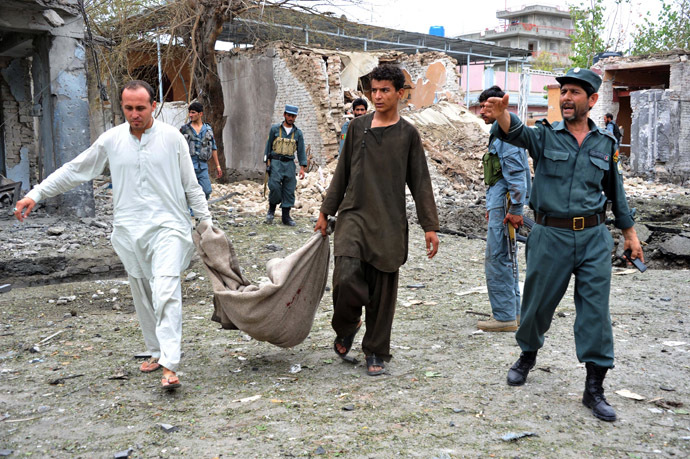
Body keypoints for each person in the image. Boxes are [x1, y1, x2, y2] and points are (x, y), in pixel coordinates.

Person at [13, 80, 212, 391]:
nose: (134, 114)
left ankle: (170, 365)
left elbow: (191, 185)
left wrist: (206, 222)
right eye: (128, 108)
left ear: (154, 106)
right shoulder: (111, 140)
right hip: (129, 230)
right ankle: (157, 352)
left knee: (165, 291)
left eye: (140, 108)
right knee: (143, 295)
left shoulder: (173, 139)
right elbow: (74, 170)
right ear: (122, 106)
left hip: (169, 227)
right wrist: (36, 194)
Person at [482, 67, 644, 422]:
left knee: (595, 312)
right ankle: (527, 354)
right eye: (563, 91)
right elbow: (516, 133)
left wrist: (630, 234)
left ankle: (594, 388)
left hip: (594, 238)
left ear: (592, 99)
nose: (566, 98)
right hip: (549, 235)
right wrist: (504, 115)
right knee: (537, 304)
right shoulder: (545, 135)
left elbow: (616, 192)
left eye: (574, 92)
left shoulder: (606, 143)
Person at [314, 64, 440, 376]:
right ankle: (348, 324)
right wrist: (324, 211)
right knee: (344, 276)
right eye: (373, 90)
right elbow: (342, 172)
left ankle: (375, 350)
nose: (377, 96)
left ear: (400, 93)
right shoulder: (357, 127)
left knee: (383, 291)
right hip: (354, 213)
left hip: (388, 220)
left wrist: (430, 226)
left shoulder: (408, 135)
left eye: (385, 90)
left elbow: (420, 182)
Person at [477, 86, 531, 332]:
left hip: (507, 207)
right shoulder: (500, 132)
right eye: (481, 107)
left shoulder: (507, 135)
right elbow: (499, 175)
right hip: (502, 205)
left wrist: (516, 208)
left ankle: (504, 316)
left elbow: (517, 174)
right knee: (506, 257)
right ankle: (513, 313)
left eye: (486, 107)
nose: (482, 112)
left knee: (498, 258)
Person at [263, 104, 307, 226]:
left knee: (289, 189)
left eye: (293, 116)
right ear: (284, 115)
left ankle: (286, 216)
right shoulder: (275, 129)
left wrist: (302, 168)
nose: (291, 118)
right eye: (289, 115)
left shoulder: (298, 133)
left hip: (289, 164)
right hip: (276, 163)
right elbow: (268, 146)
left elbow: (301, 150)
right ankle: (271, 210)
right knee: (275, 187)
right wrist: (267, 162)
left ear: (296, 117)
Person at [180, 102, 223, 200]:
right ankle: (190, 212)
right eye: (189, 113)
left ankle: (201, 209)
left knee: (207, 190)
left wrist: (218, 166)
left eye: (193, 113)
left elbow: (213, 148)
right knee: (189, 191)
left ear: (200, 114)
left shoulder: (207, 129)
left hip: (202, 166)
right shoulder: (185, 129)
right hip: (189, 166)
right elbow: (177, 148)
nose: (190, 115)